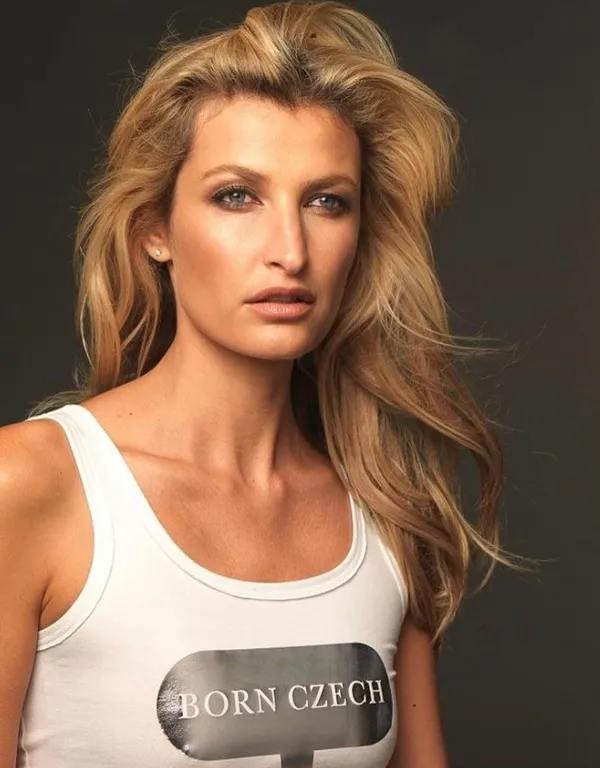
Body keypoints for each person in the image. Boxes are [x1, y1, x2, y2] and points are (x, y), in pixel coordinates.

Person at [0, 1, 533, 766]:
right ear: (155, 228)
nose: (290, 249)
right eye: (236, 196)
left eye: (326, 201)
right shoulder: (27, 488)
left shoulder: (388, 515)